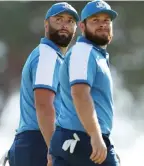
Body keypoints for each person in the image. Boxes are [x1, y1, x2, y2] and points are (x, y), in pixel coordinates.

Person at [3, 2, 79, 166]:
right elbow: (44, 104)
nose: (65, 25)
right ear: (46, 24)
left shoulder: (54, 57)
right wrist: (54, 150)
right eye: (58, 19)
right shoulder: (47, 56)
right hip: (39, 143)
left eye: (70, 21)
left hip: (38, 142)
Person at [49, 0, 120, 166]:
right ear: (82, 26)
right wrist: (95, 136)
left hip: (76, 139)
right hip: (81, 139)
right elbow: (80, 94)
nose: (102, 25)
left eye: (106, 20)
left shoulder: (96, 55)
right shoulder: (83, 51)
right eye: (95, 20)